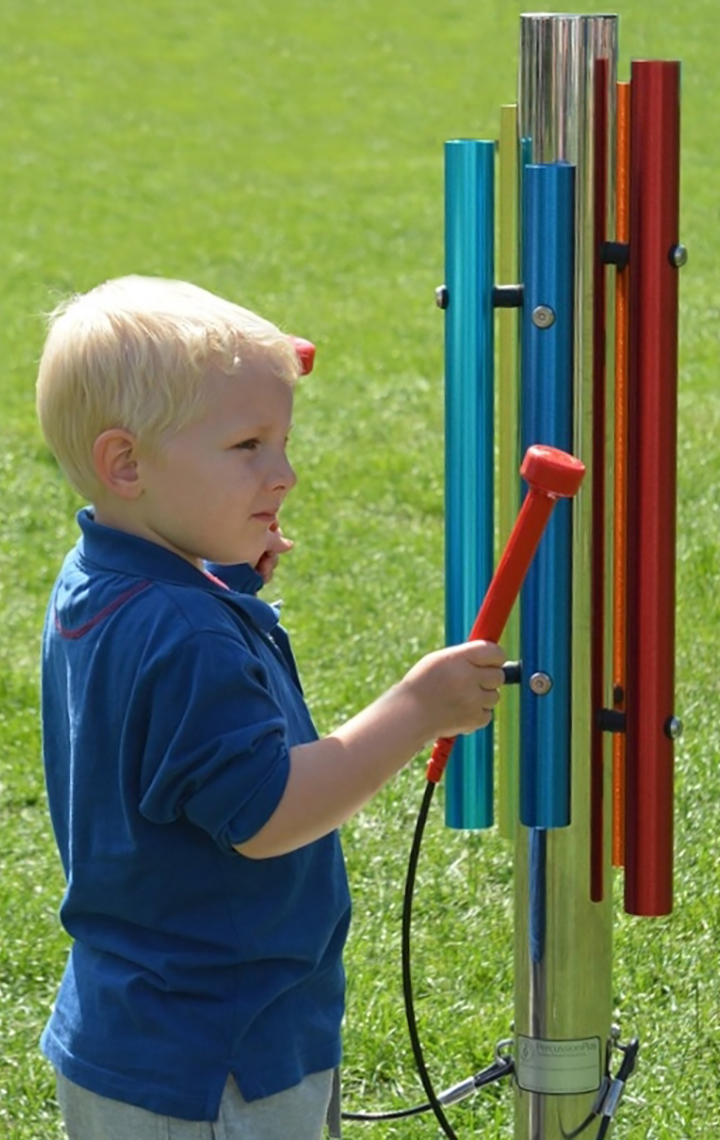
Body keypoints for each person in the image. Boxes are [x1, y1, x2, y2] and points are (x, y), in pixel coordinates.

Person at [35, 275, 506, 1140]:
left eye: (282, 442)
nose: (283, 474)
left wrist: (226, 583)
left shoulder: (104, 580)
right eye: (248, 444)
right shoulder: (185, 634)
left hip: (139, 1029)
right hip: (217, 1062)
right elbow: (268, 815)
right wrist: (414, 710)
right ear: (126, 463)